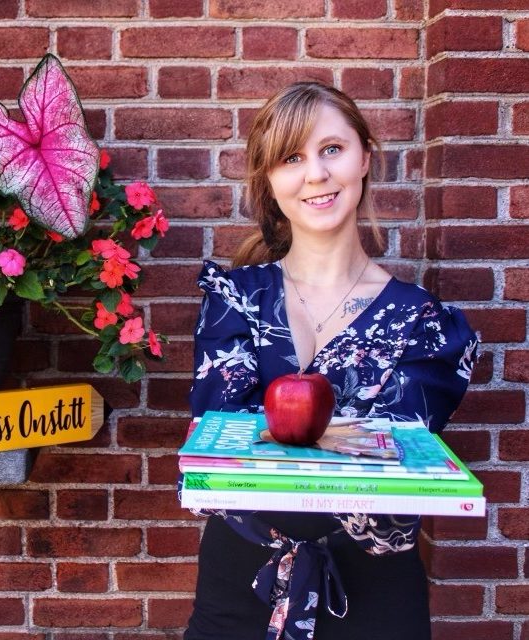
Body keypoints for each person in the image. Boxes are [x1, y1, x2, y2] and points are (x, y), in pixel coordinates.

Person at [183, 82, 479, 640]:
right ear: (270, 180)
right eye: (291, 158)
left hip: (374, 595)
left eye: (332, 149)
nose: (315, 174)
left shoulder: (425, 325)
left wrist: (274, 435)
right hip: (240, 585)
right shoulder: (234, 300)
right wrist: (346, 435)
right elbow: (219, 448)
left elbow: (395, 468)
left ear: (366, 156)